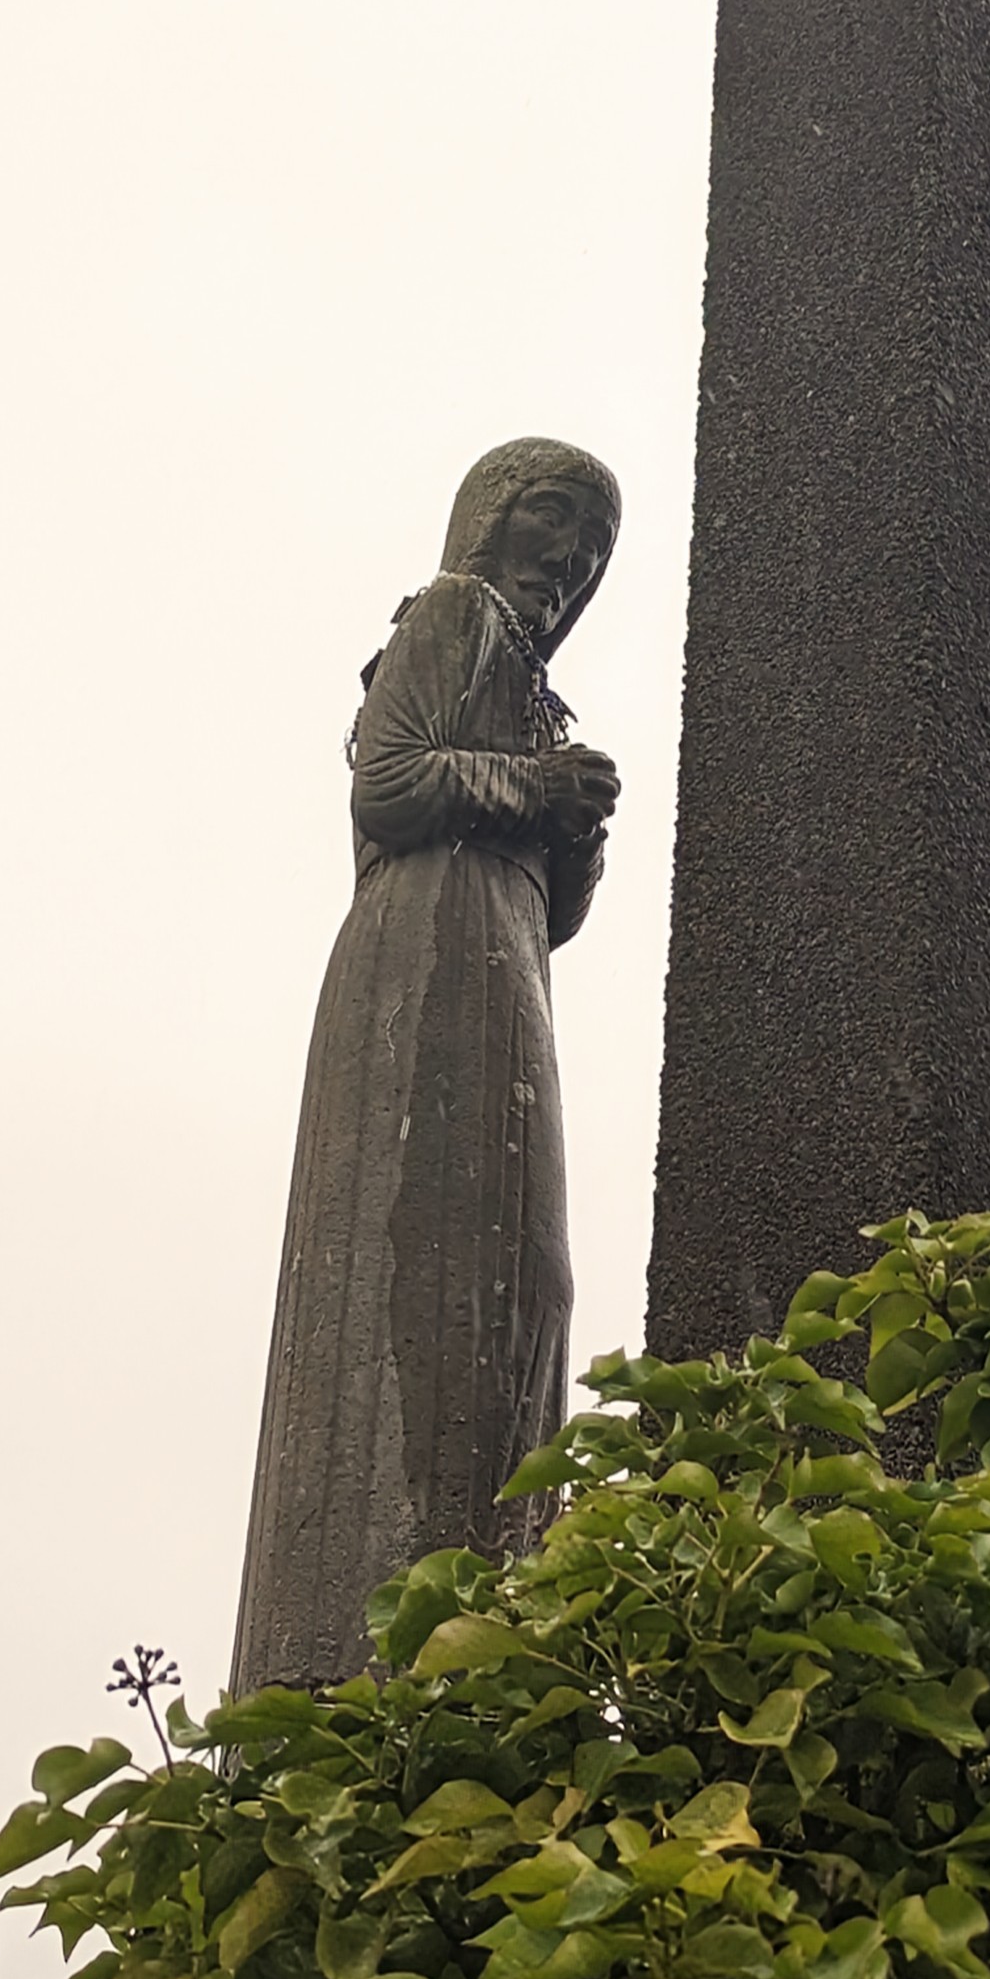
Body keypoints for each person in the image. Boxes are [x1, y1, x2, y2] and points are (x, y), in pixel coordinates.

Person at [232, 438, 621, 1691]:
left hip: (505, 967)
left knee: (525, 1275)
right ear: (491, 517)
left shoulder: (533, 687)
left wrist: (577, 830)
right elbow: (391, 786)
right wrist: (537, 787)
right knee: (432, 1254)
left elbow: (555, 911)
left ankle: (495, 1609)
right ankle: (377, 1625)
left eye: (593, 546)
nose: (571, 557)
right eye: (554, 519)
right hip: (425, 961)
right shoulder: (454, 613)